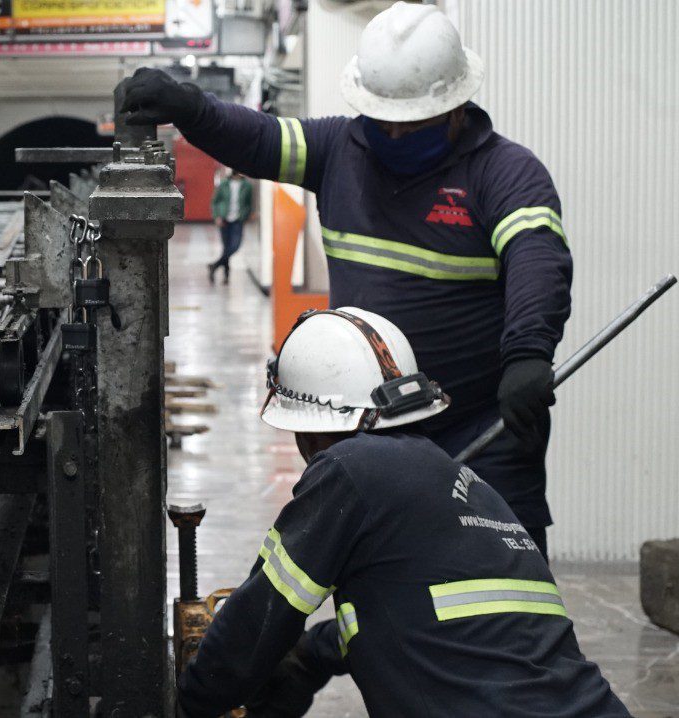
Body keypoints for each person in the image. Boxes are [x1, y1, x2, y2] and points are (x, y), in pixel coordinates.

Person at [117, 2, 570, 558]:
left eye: (415, 120)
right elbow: (258, 139)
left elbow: (536, 256)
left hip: (480, 429)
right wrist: (192, 108)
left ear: (455, 106)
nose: (398, 132)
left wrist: (528, 352)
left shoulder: (504, 172)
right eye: (386, 119)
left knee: (505, 574)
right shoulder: (339, 151)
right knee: (382, 577)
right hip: (374, 433)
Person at [176, 307, 628, 718]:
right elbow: (432, 619)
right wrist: (315, 653)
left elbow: (260, 616)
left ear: (308, 430)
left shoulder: (349, 469)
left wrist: (192, 700)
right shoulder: (471, 488)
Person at [209, 169, 253, 284]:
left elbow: (249, 203)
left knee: (235, 246)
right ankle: (226, 277)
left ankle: (214, 265)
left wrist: (245, 214)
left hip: (238, 220)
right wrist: (217, 216)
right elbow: (215, 201)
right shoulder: (224, 184)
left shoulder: (247, 186)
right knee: (226, 248)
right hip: (224, 219)